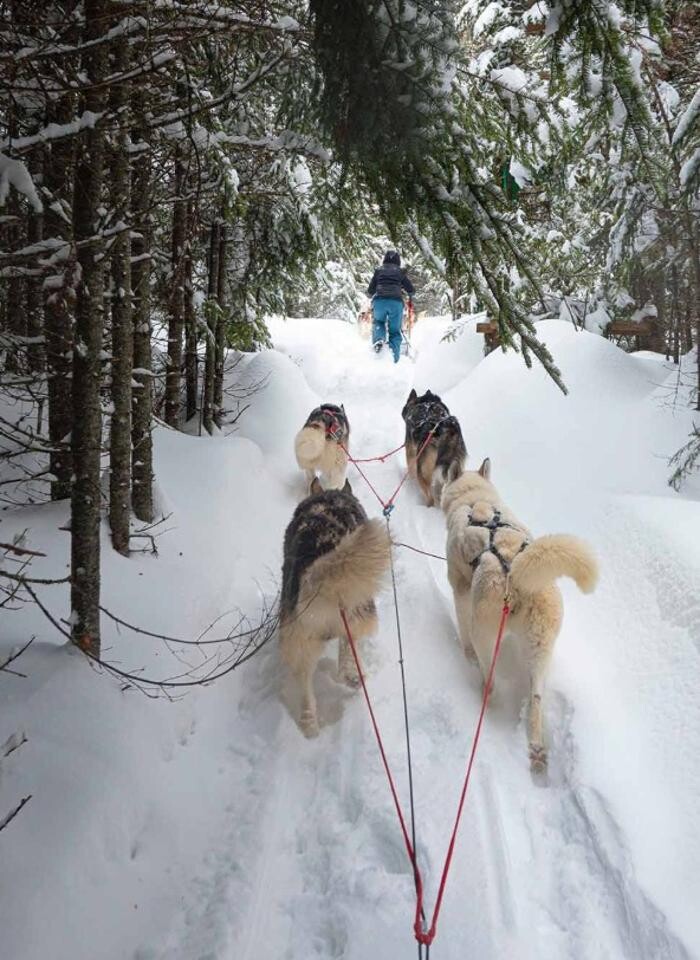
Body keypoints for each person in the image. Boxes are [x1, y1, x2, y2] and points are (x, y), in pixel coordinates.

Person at [366, 250, 415, 363]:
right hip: (395, 304)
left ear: (385, 260)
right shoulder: (400, 272)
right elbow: (411, 289)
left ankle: (379, 340)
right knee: (394, 330)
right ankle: (394, 358)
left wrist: (370, 294)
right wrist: (410, 293)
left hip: (380, 302)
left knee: (378, 322)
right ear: (398, 261)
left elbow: (370, 291)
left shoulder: (379, 272)